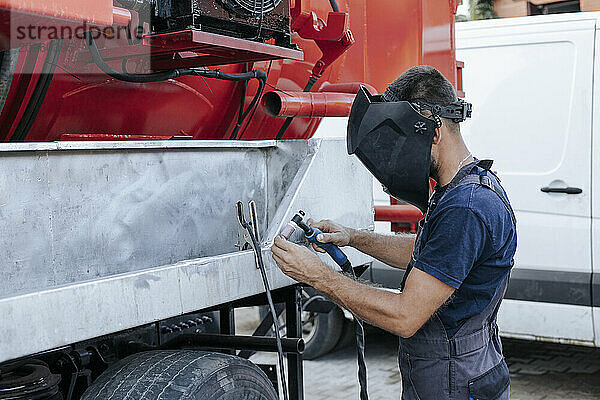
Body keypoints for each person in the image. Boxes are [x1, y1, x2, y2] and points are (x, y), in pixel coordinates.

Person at [271, 65, 517, 400]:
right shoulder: (470, 186)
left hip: (454, 383)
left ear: (433, 133)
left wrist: (317, 276)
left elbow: (405, 316)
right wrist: (354, 237)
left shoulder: (465, 207)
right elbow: (434, 256)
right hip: (465, 371)